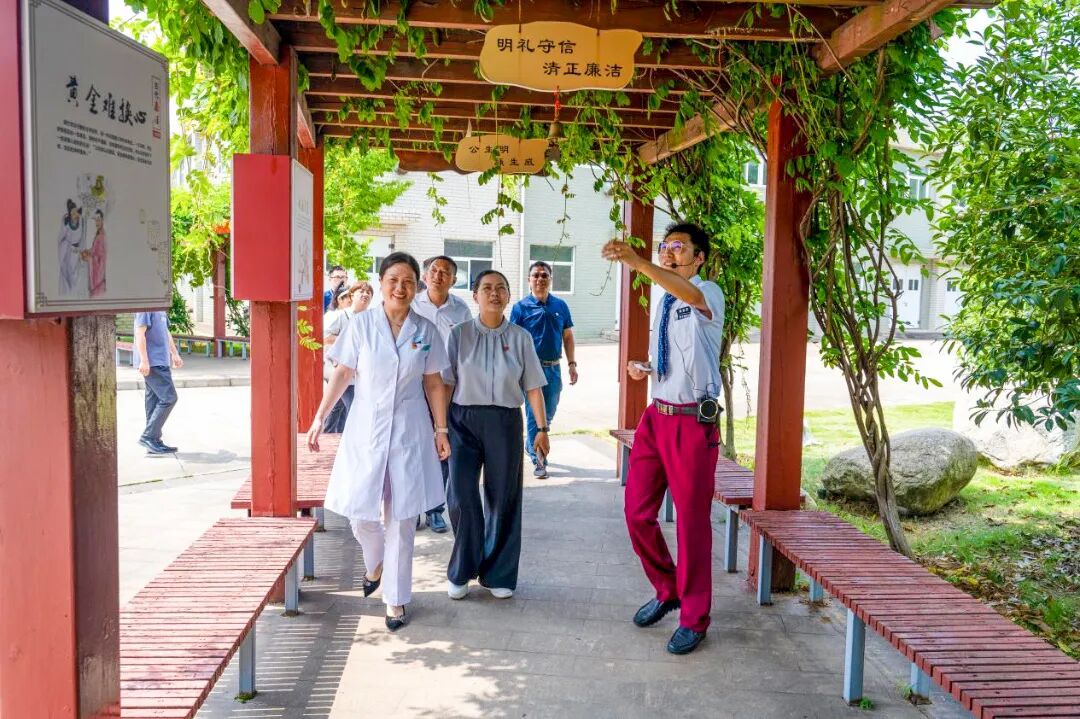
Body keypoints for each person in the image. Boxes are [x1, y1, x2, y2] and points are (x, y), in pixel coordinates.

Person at [307, 253, 450, 632]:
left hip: (409, 429)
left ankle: (396, 599)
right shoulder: (362, 325)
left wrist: (441, 430)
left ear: (416, 286)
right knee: (359, 514)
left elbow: (434, 383)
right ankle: (375, 564)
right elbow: (343, 373)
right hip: (366, 427)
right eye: (393, 280)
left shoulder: (425, 330)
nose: (400, 288)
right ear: (382, 283)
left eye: (408, 281)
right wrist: (320, 416)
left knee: (402, 519)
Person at [601, 223, 725, 656]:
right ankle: (667, 588)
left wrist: (638, 262)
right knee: (637, 512)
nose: (669, 253)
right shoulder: (665, 300)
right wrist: (647, 368)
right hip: (656, 417)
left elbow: (690, 297)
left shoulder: (707, 292)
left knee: (691, 525)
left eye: (679, 247)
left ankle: (694, 617)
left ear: (699, 257)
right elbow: (679, 358)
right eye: (665, 246)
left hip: (692, 422)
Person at [442, 270, 549, 600]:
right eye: (486, 288)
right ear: (475, 295)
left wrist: (542, 429)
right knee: (461, 496)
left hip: (504, 421)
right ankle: (462, 569)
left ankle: (499, 573)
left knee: (503, 497)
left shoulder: (520, 337)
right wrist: (440, 428)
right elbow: (445, 384)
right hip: (462, 421)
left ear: (508, 296)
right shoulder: (459, 334)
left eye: (500, 288)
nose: (494, 293)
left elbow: (533, 387)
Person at [411, 255, 473, 533]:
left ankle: (435, 509)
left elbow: (467, 349)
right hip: (413, 388)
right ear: (425, 276)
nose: (438, 275)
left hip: (446, 389)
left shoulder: (461, 310)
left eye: (445, 272)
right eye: (433, 271)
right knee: (413, 449)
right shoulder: (412, 304)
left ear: (453, 280)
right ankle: (412, 507)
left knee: (441, 447)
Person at [510, 261, 578, 479]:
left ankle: (531, 444)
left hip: (554, 368)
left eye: (544, 275)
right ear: (529, 280)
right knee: (534, 414)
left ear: (550, 279)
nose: (540, 279)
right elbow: (512, 340)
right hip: (530, 369)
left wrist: (572, 363)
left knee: (548, 413)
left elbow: (568, 337)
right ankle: (539, 459)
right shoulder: (520, 308)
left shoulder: (560, 306)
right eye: (536, 275)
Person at [322, 281, 374, 433]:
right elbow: (325, 337)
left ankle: (330, 434)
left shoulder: (372, 318)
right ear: (351, 295)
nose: (365, 295)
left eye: (368, 293)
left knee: (337, 408)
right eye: (361, 291)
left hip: (362, 374)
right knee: (354, 408)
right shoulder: (341, 315)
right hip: (343, 371)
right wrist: (349, 340)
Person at [133, 310, 184, 455]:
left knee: (153, 400)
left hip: (160, 360)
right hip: (152, 362)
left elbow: (165, 332)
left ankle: (153, 441)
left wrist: (174, 354)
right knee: (169, 398)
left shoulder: (160, 307)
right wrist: (144, 360)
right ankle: (148, 437)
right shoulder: (145, 306)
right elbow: (139, 333)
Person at [58, 199, 87, 296]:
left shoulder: (81, 220)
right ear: (70, 214)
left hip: (77, 251)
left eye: (76, 212)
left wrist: (81, 251)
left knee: (77, 275)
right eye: (73, 213)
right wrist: (67, 245)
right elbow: (62, 238)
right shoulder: (66, 223)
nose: (75, 215)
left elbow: (83, 238)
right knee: (68, 274)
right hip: (68, 252)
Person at [88, 209, 107, 298]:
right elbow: (94, 250)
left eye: (98, 220)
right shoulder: (98, 234)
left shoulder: (102, 236)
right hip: (96, 268)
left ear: (102, 220)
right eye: (95, 220)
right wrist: (88, 252)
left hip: (99, 272)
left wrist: (90, 258)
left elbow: (102, 256)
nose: (97, 222)